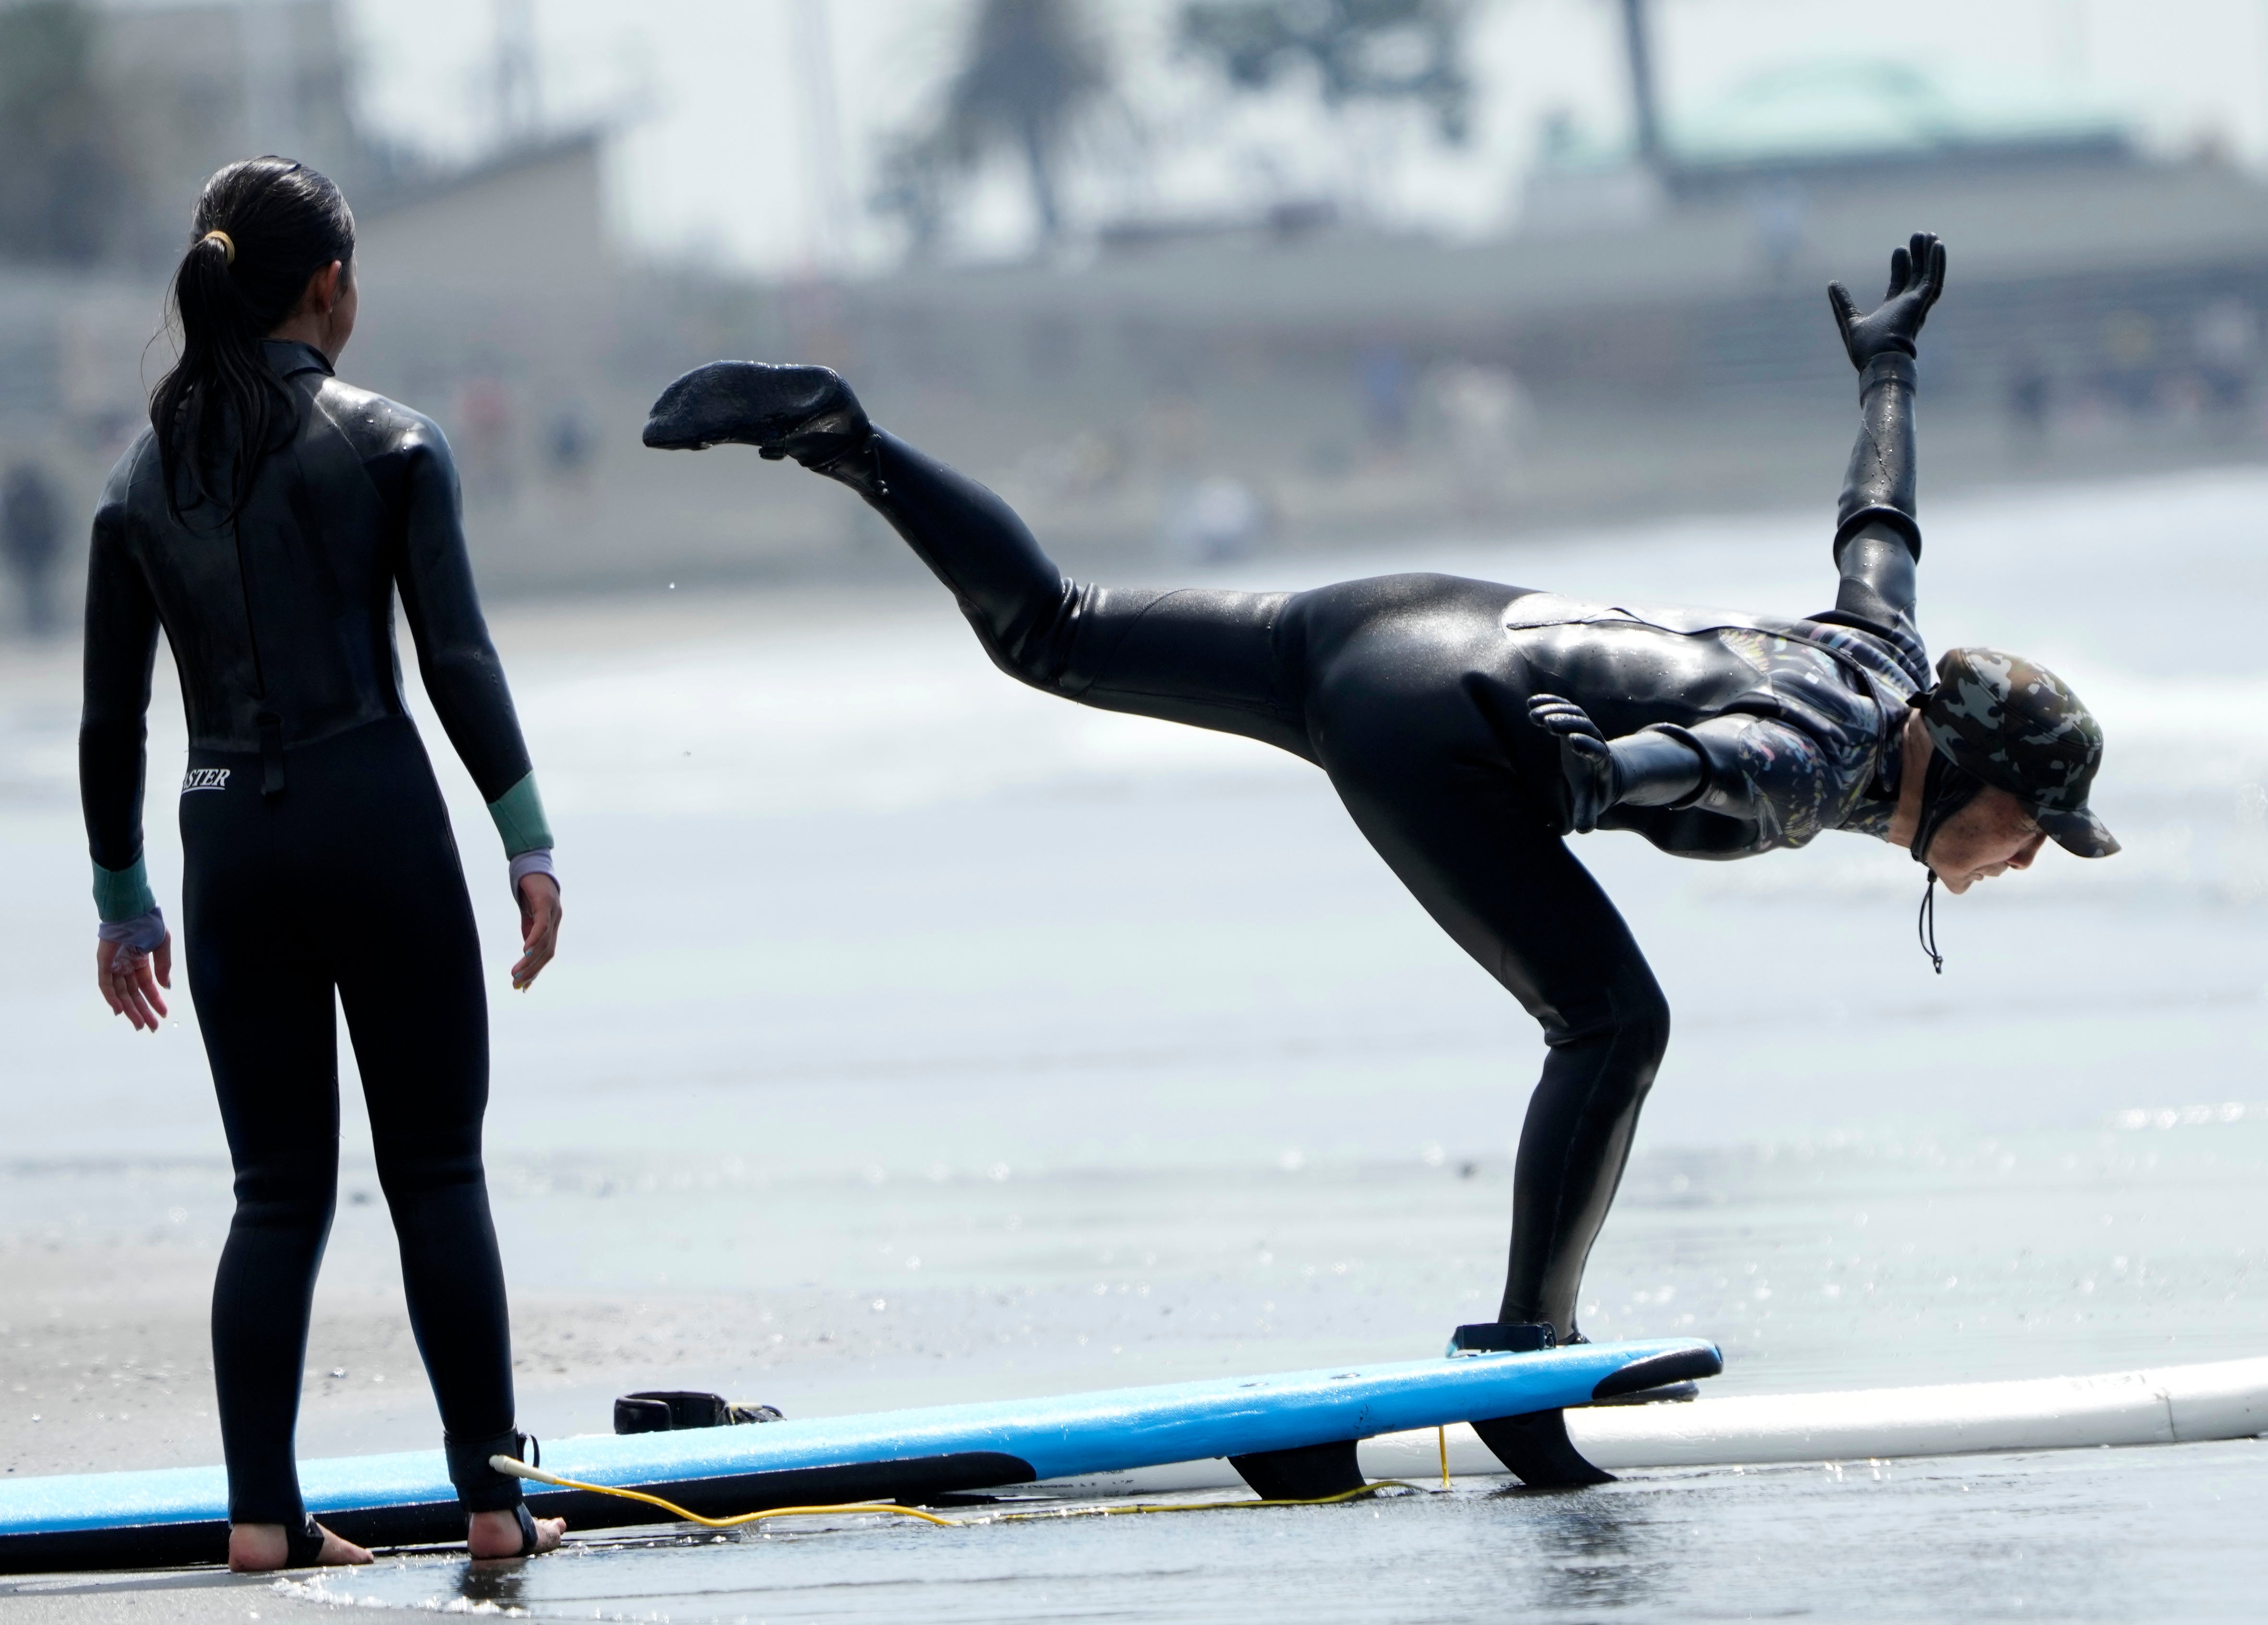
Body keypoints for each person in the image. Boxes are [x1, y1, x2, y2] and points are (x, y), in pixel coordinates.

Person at [643, 232, 2119, 1476]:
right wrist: (1604, 777)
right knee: (1612, 1018)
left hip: (1386, 616)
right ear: (1972, 769)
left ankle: (844, 437)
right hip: (1447, 721)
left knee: (1058, 629)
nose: (2025, 860)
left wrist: (1883, 365)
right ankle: (1522, 1367)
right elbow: (1729, 766)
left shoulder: (1879, 653)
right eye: (2033, 828)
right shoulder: (1830, 758)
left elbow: (1879, 521)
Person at [79, 157, 568, 1571]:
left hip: (223, 834)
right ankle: (493, 1498)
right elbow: (454, 655)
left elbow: (112, 716)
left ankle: (259, 1516)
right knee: (435, 1170)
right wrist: (525, 836)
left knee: (275, 1190)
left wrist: (123, 901)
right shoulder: (390, 443)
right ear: (329, 286)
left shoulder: (136, 478)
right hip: (371, 812)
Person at [3, 459, 65, 636]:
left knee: (33, 586)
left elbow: (9, 527)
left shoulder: (15, 496)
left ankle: (37, 622)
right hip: (39, 549)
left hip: (29, 550)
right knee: (39, 586)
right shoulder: (41, 495)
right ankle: (42, 621)